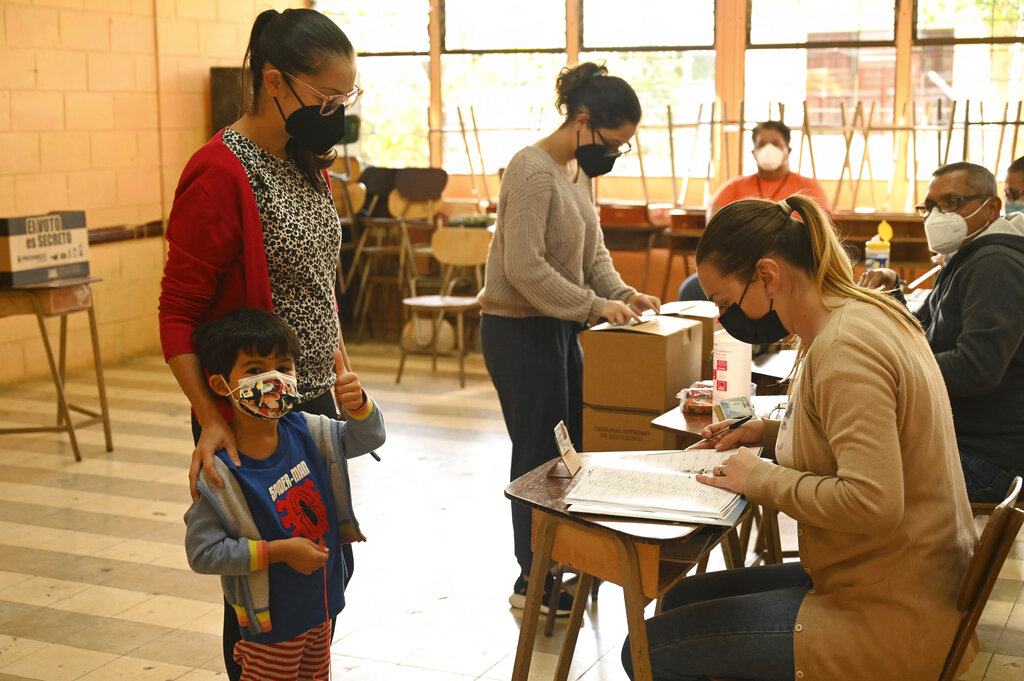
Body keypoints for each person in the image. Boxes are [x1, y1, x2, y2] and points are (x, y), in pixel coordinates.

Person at [623, 194, 978, 681]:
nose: (727, 317)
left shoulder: (845, 348)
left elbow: (873, 503)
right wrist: (764, 432)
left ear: (767, 276)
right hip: (889, 571)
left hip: (889, 608)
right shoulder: (854, 314)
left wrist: (760, 479)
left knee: (645, 649)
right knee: (680, 598)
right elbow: (843, 432)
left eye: (726, 302)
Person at [157, 8, 362, 679]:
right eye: (324, 98)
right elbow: (178, 312)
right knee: (259, 595)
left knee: (326, 569)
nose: (334, 112)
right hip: (252, 414)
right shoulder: (220, 171)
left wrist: (341, 367)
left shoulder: (308, 162)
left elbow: (316, 280)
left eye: (345, 99)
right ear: (273, 80)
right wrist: (213, 419)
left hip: (314, 404)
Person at [478, 61, 661, 615]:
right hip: (517, 331)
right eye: (612, 142)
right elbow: (525, 269)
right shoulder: (531, 172)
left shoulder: (578, 174)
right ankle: (530, 578)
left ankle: (564, 557)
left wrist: (623, 293)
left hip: (557, 327)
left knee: (568, 449)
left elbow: (594, 253)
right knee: (537, 453)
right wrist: (593, 306)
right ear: (582, 122)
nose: (613, 153)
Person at [185, 308, 385, 681]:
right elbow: (202, 552)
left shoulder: (308, 431)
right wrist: (278, 552)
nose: (273, 379)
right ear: (220, 385)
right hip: (272, 629)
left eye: (283, 366)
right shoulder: (221, 473)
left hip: (321, 608)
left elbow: (367, 438)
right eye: (255, 370)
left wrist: (356, 404)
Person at [860, 162, 1024, 503]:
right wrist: (893, 292)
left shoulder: (995, 263)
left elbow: (975, 369)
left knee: (858, 480)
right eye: (930, 207)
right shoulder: (967, 256)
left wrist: (891, 374)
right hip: (959, 440)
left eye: (951, 202)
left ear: (992, 207)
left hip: (990, 459)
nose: (936, 215)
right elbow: (922, 336)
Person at [706, 120, 830, 223]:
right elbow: (714, 227)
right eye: (762, 144)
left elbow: (820, 230)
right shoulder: (733, 187)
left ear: (788, 150)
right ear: (754, 153)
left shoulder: (809, 188)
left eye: (776, 144)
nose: (769, 149)